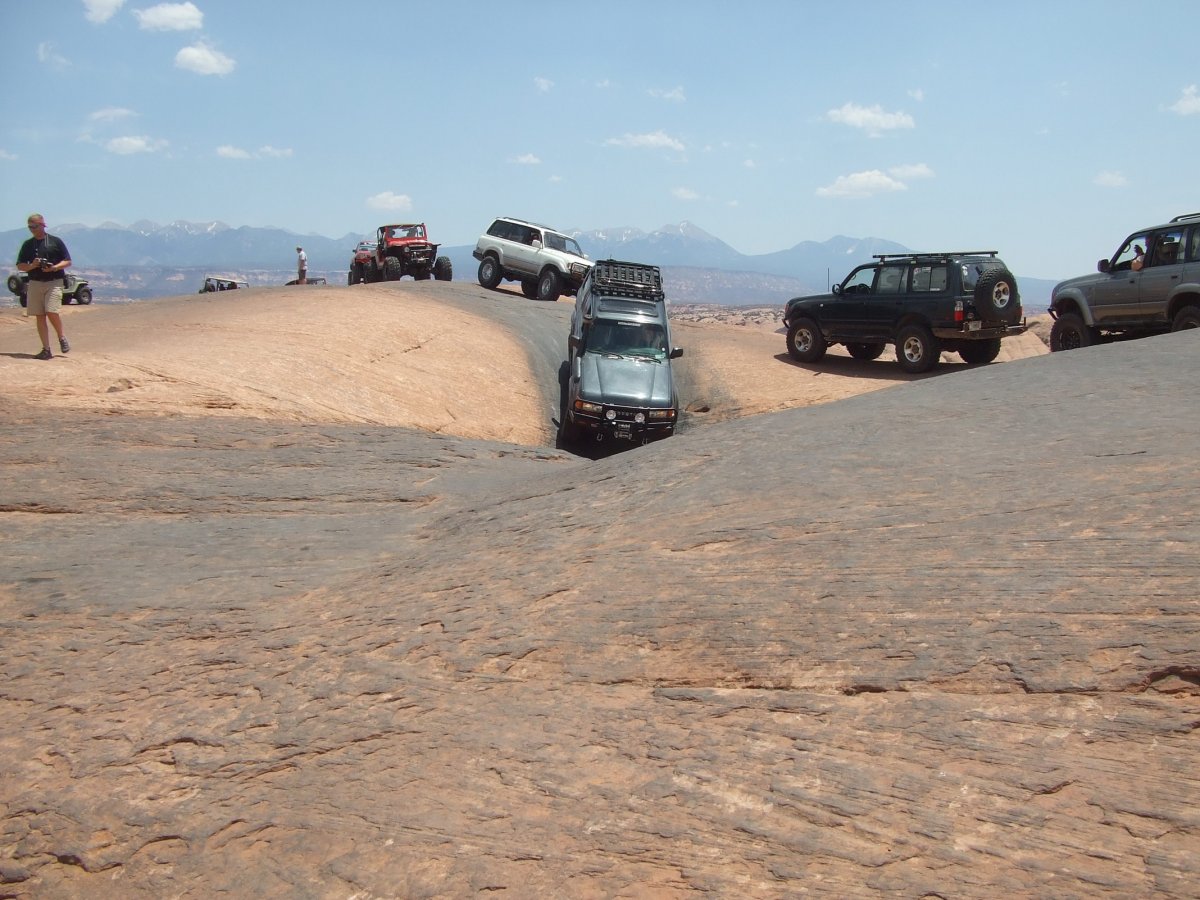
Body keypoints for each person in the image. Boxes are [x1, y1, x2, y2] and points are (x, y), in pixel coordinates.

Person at [15, 213, 71, 360]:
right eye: (30, 227)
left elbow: (68, 261)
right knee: (40, 315)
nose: (32, 229)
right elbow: (20, 265)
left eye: (34, 226)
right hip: (35, 282)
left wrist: (54, 267)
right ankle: (46, 349)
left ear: (42, 225)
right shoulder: (28, 245)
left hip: (54, 280)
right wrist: (32, 265)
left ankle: (61, 337)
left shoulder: (55, 241)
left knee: (51, 311)